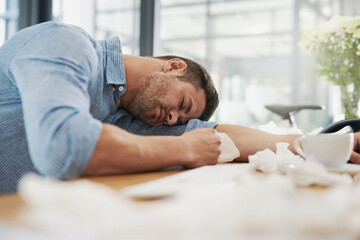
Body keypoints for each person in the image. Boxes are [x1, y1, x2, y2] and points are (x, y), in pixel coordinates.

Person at [0, 22, 355, 195]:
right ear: (172, 66)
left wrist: (317, 144)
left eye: (180, 119)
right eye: (182, 105)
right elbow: (64, 146)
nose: (172, 119)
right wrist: (182, 147)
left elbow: (218, 136)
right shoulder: (68, 46)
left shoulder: (131, 117)